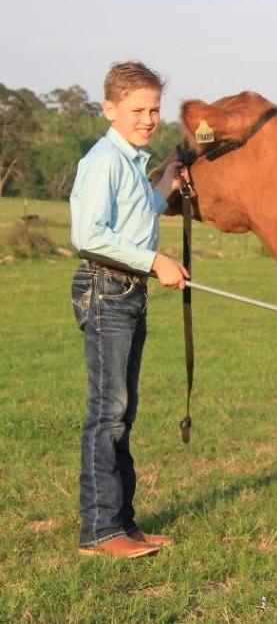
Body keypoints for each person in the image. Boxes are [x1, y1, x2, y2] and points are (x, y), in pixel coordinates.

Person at [69, 60, 190, 558]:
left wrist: (165, 187)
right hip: (107, 290)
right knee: (108, 414)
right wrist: (156, 259)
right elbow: (89, 235)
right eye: (137, 109)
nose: (147, 119)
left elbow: (138, 216)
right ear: (109, 110)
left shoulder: (133, 162)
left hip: (127, 292)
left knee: (123, 413)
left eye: (154, 109)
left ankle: (123, 524)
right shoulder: (105, 161)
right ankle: (100, 532)